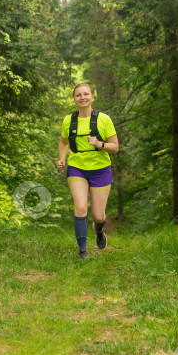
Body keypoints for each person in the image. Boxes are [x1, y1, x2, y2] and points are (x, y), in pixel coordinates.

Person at [56, 83, 119, 258]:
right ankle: (82, 250)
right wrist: (62, 158)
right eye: (78, 95)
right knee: (81, 207)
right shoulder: (69, 120)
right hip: (77, 168)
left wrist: (100, 144)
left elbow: (115, 147)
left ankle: (99, 229)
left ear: (92, 97)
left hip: (100, 169)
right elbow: (63, 141)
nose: (82, 97)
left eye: (86, 94)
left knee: (98, 216)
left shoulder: (104, 119)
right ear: (74, 99)